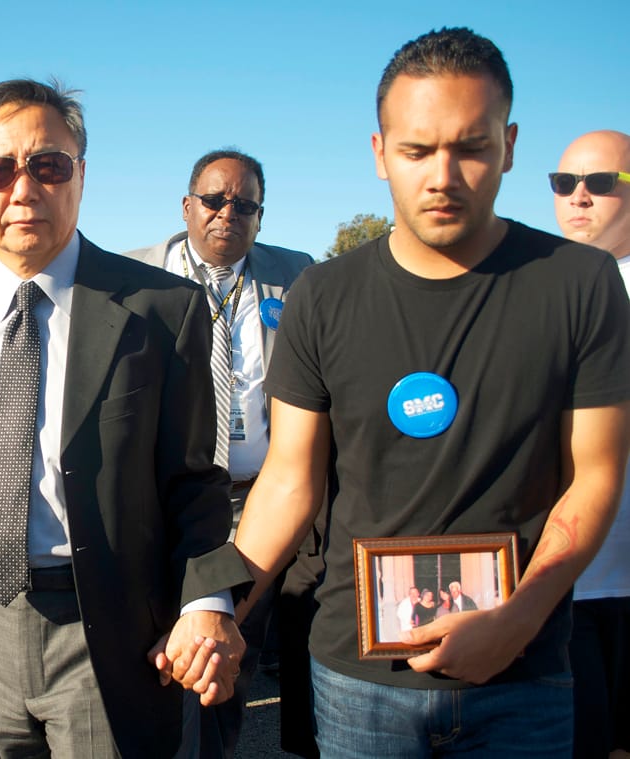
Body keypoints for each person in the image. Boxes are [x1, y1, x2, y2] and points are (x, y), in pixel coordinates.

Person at [226, 27, 630, 756]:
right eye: (416, 150)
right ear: (381, 153)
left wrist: (521, 617)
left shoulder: (581, 284)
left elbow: (595, 475)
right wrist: (224, 610)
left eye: (471, 147)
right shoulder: (322, 295)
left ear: (508, 145)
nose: (442, 175)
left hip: (525, 676)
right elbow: (289, 481)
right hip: (357, 682)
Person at [0, 79, 248, 757]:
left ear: (81, 175)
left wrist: (207, 601)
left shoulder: (161, 309)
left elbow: (195, 479)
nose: (22, 189)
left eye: (48, 165)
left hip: (106, 627)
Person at [125, 149, 312, 758]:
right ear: (187, 207)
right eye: (214, 200)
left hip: (258, 500)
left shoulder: (298, 276)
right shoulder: (132, 277)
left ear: (260, 217)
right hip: (167, 502)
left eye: (245, 204)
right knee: (162, 655)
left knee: (229, 661)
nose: (228, 213)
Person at [552, 129, 630, 759]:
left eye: (601, 183)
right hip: (560, 585)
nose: (579, 196)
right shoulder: (532, 290)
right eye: (564, 183)